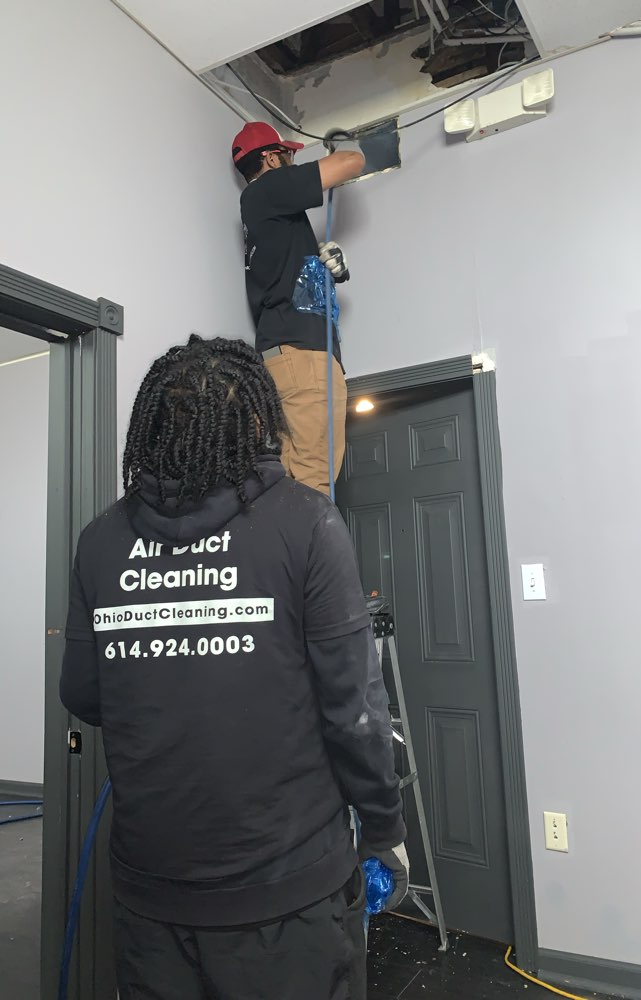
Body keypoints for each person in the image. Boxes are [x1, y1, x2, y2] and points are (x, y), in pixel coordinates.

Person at [60, 335, 409, 1000]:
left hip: (153, 902)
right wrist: (384, 827)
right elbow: (355, 712)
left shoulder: (101, 541)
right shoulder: (306, 523)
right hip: (287, 902)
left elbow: (82, 693)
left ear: (153, 427)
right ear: (255, 420)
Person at [232, 121, 365, 496]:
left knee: (292, 484)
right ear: (271, 159)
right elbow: (351, 162)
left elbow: (292, 287)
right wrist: (347, 144)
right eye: (287, 156)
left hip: (288, 356)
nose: (291, 163)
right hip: (302, 357)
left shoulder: (267, 215)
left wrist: (331, 270)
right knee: (313, 484)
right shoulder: (268, 189)